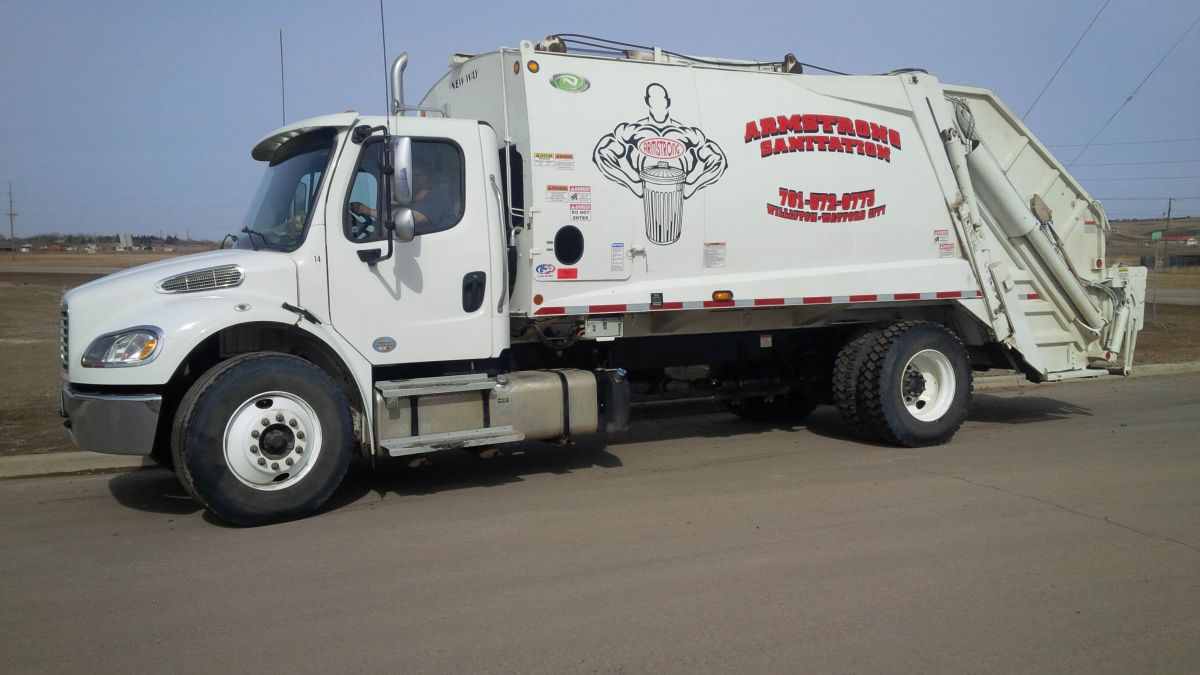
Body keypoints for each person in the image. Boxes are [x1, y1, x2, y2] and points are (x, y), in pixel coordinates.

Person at [349, 155, 453, 235]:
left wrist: (367, 211)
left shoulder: (437, 197)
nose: (405, 179)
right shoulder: (411, 200)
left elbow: (410, 219)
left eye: (413, 175)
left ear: (424, 178)